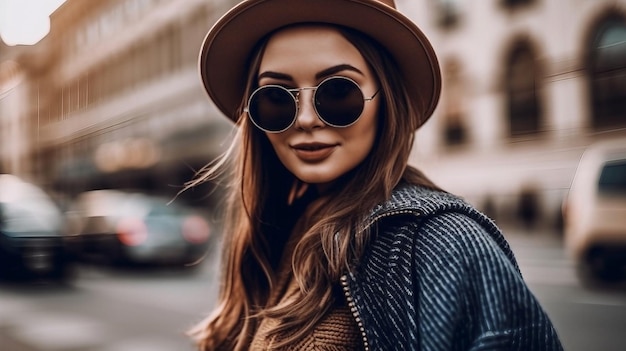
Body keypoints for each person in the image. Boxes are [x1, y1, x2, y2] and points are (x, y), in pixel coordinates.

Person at [188, 0, 565, 350]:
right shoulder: (278, 233)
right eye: (276, 97)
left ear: (385, 97)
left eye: (337, 92)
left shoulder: (443, 240)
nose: (304, 119)